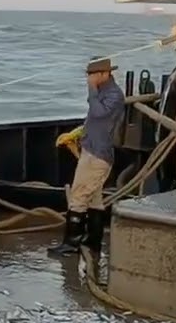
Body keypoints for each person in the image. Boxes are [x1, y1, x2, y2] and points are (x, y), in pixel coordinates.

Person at [49, 59, 125, 257]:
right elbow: (93, 121)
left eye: (91, 75)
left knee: (79, 196)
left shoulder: (114, 96)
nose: (88, 79)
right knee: (94, 199)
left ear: (103, 74)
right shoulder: (103, 93)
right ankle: (93, 240)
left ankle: (71, 243)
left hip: (98, 155)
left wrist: (91, 89)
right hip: (91, 150)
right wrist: (79, 133)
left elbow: (99, 113)